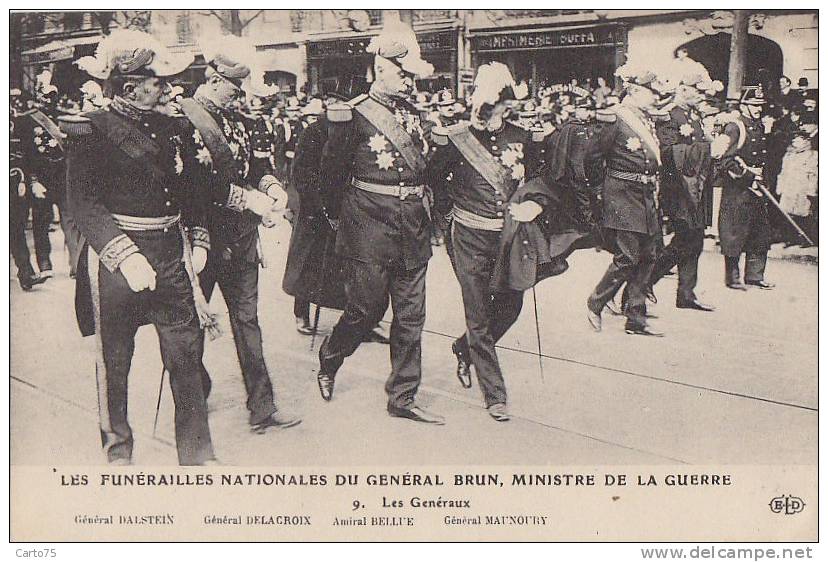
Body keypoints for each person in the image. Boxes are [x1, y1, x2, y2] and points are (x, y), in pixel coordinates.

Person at [66, 29, 217, 465]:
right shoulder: (92, 131)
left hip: (172, 255)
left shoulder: (175, 126)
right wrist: (122, 253)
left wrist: (200, 239)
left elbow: (193, 191)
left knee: (186, 355)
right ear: (130, 86)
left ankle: (197, 454)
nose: (168, 88)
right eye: (158, 81)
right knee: (115, 361)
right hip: (121, 263)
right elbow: (83, 203)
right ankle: (118, 452)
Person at [314, 18, 444, 424]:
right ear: (381, 69)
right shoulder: (350, 116)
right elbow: (329, 177)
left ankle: (402, 397)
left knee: (411, 316)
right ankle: (330, 358)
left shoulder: (413, 115)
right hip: (368, 229)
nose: (408, 81)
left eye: (410, 74)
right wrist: (342, 223)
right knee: (365, 312)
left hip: (413, 228)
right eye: (402, 72)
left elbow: (426, 170)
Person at [177, 37, 301, 434]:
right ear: (214, 79)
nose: (238, 95)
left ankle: (262, 408)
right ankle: (195, 392)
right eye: (233, 88)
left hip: (242, 238)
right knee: (191, 323)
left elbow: (256, 163)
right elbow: (191, 184)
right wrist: (247, 200)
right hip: (202, 239)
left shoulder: (238, 119)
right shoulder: (183, 121)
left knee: (248, 321)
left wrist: (269, 187)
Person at [428, 62, 547, 421]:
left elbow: (539, 181)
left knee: (510, 307)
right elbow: (433, 179)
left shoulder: (523, 138)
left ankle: (464, 349)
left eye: (510, 107)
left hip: (510, 237)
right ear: (486, 105)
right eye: (503, 106)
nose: (508, 112)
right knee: (478, 312)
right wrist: (447, 214)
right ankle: (495, 394)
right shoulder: (456, 138)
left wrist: (534, 203)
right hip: (468, 237)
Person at [585, 66, 665, 337]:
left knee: (649, 255)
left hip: (645, 195)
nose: (656, 97)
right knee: (627, 257)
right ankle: (595, 302)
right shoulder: (615, 118)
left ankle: (636, 318)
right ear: (634, 90)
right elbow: (593, 158)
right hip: (622, 194)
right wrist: (601, 192)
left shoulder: (646, 118)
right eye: (651, 92)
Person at [648, 75, 717, 311]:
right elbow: (666, 152)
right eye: (697, 92)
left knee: (694, 240)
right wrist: (706, 149)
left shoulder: (695, 116)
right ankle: (641, 283)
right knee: (683, 241)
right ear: (684, 89)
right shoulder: (670, 116)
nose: (701, 97)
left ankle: (686, 293)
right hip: (679, 190)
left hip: (696, 189)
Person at [716, 86, 775, 290]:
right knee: (734, 233)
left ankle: (755, 275)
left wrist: (761, 180)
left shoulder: (758, 126)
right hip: (738, 190)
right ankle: (732, 278)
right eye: (754, 105)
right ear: (744, 105)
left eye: (760, 106)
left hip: (758, 187)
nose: (758, 109)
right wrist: (748, 177)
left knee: (760, 232)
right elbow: (725, 161)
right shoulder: (735, 127)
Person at [10, 90, 48, 290]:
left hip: (15, 184)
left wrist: (32, 181)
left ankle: (26, 273)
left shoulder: (20, 125)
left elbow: (29, 156)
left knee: (15, 228)